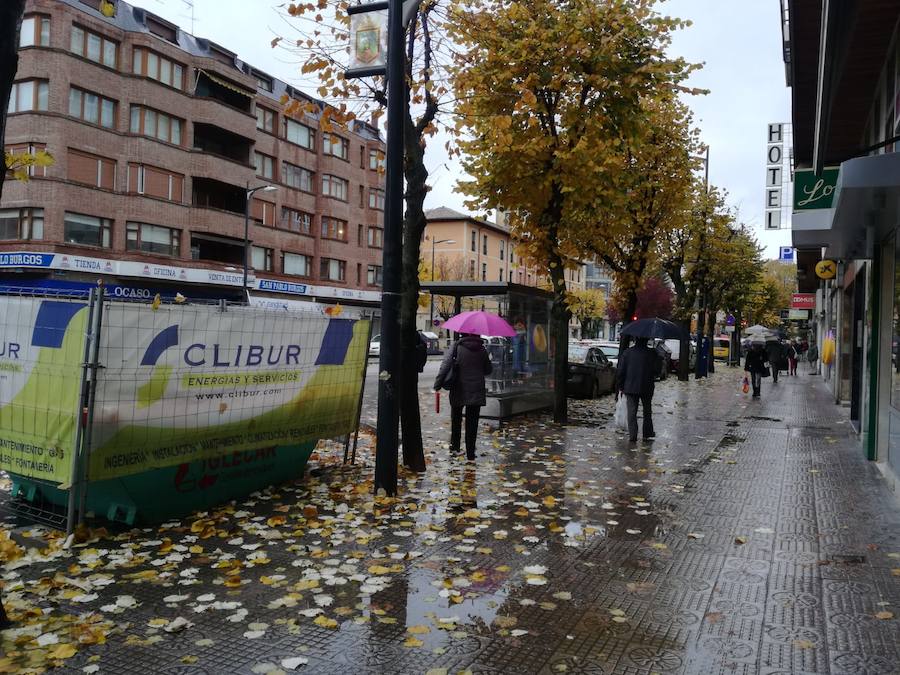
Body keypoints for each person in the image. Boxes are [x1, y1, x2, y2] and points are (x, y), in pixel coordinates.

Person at [434, 333, 492, 460]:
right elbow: (488, 370)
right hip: (476, 389)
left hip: (458, 388)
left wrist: (437, 384)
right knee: (472, 422)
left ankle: (455, 448)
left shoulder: (456, 347)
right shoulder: (482, 349)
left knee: (456, 419)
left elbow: (445, 366)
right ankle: (470, 452)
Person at [616, 337, 659, 442]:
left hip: (630, 386)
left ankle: (633, 435)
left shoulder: (627, 353)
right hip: (647, 386)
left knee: (632, 412)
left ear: (635, 340)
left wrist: (621, 386)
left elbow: (621, 371)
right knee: (647, 411)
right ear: (646, 340)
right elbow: (657, 371)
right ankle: (647, 433)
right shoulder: (652, 353)